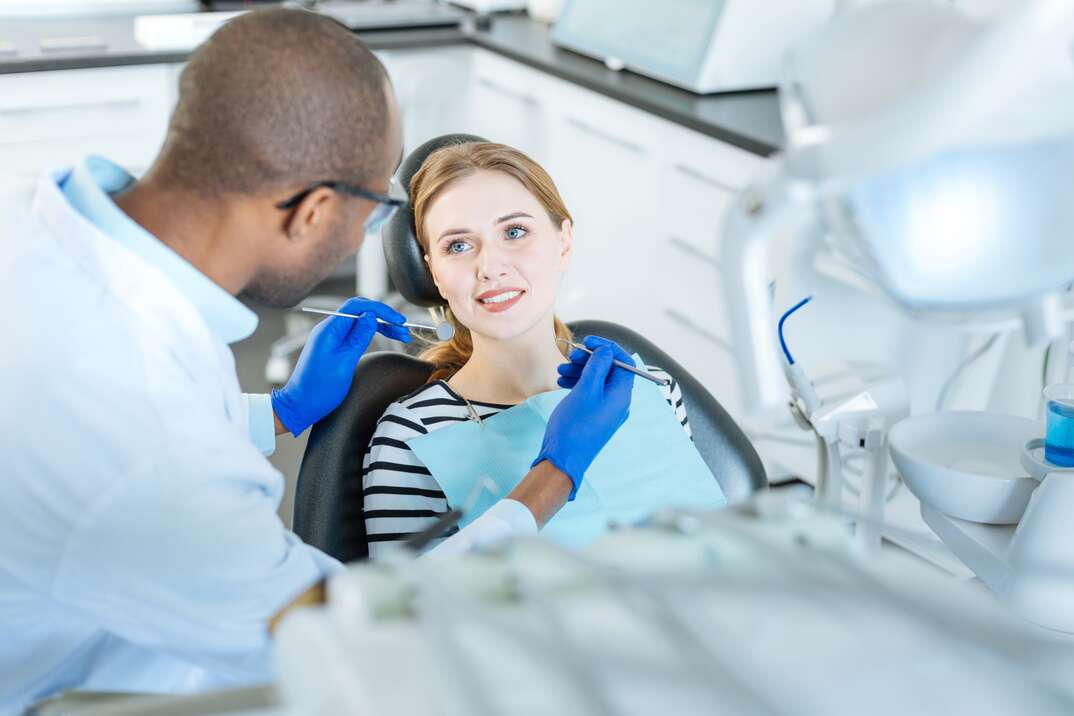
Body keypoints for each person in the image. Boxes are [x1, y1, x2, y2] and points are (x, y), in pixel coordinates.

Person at [0, 10, 633, 713]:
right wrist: (553, 476)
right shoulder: (146, 445)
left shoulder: (43, 221)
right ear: (310, 210)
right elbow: (352, 632)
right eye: (376, 209)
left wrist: (278, 411)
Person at [363, 142, 692, 557]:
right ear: (435, 273)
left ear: (564, 242)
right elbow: (402, 610)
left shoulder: (653, 391)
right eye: (458, 246)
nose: (491, 267)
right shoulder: (410, 436)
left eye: (514, 232)